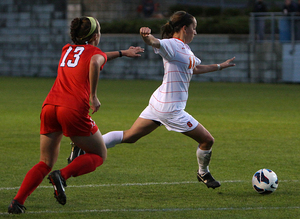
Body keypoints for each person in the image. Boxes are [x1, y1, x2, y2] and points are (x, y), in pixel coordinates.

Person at [69, 11, 235, 189]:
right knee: (207, 140)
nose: (195, 32)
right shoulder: (171, 45)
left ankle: (82, 145)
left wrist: (220, 66)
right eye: (194, 28)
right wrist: (146, 36)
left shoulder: (185, 49)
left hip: (158, 103)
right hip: (170, 110)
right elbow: (155, 42)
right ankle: (203, 172)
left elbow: (194, 68)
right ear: (185, 28)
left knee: (130, 136)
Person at [7, 16, 144, 214]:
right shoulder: (94, 53)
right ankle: (62, 175)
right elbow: (95, 62)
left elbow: (95, 56)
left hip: (50, 105)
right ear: (96, 35)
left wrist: (122, 53)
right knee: (98, 154)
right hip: (71, 109)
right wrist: (93, 96)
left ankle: (17, 202)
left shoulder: (67, 49)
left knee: (44, 162)